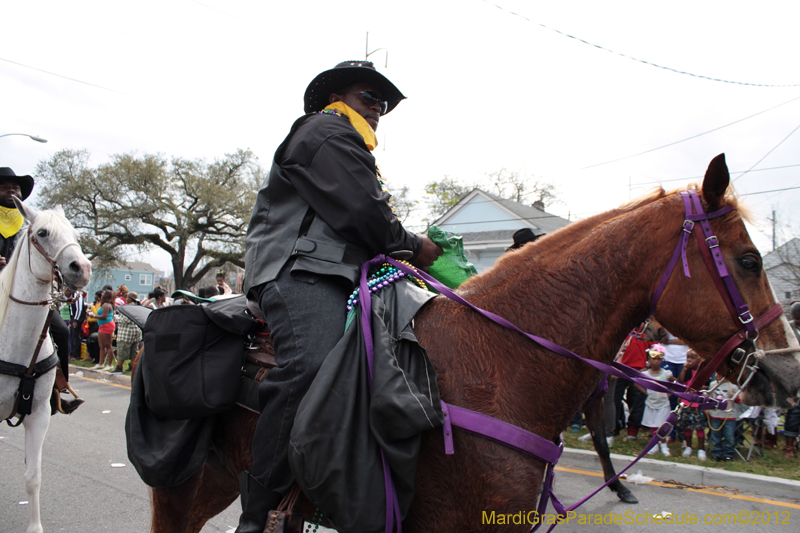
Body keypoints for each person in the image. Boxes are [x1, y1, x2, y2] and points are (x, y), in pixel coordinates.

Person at [239, 60, 443, 532]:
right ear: (337, 96)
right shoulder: (324, 131)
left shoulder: (347, 142)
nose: (377, 109)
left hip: (344, 275)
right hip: (297, 269)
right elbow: (362, 212)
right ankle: (257, 518)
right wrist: (416, 247)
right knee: (312, 364)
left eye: (384, 104)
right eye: (368, 97)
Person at [0, 167, 83, 413]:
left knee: (61, 330)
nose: (12, 189)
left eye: (15, 187)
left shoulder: (32, 223)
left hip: (24, 295)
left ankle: (57, 391)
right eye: (5, 185)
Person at [636, 345, 675, 456]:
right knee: (653, 425)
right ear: (649, 360)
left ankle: (663, 445)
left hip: (663, 404)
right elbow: (636, 382)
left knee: (662, 425)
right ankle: (654, 445)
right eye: (654, 359)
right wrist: (645, 392)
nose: (656, 361)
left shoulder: (666, 374)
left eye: (659, 359)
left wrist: (669, 394)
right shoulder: (646, 374)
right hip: (651, 403)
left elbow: (675, 384)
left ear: (662, 360)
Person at [677, 349, 708, 460]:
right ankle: (688, 447)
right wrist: (684, 370)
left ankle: (701, 449)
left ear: (699, 359)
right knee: (687, 427)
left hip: (698, 404)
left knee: (699, 428)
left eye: (692, 358)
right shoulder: (686, 371)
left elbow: (707, 385)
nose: (689, 360)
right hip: (686, 403)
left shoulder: (703, 371)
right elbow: (680, 382)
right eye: (688, 358)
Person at [707, 371, 741, 461]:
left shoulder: (733, 386)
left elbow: (739, 401)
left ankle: (728, 454)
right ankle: (716, 453)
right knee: (715, 435)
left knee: (729, 436)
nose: (717, 375)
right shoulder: (712, 385)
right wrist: (707, 408)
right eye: (716, 373)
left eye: (720, 373)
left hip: (729, 416)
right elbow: (709, 398)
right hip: (715, 415)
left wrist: (734, 397)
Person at [110, 291, 141, 374]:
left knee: (122, 350)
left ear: (130, 299)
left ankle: (119, 367)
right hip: (136, 332)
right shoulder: (138, 307)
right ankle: (133, 366)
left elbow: (125, 320)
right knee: (133, 351)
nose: (126, 299)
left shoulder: (128, 308)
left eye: (127, 298)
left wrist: (116, 318)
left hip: (126, 333)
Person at [88, 289, 116, 371]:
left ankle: (109, 364)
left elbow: (104, 316)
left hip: (107, 325)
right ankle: (100, 363)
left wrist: (94, 316)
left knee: (108, 345)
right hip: (102, 325)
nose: (101, 294)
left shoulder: (106, 305)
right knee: (101, 346)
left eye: (103, 293)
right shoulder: (103, 304)